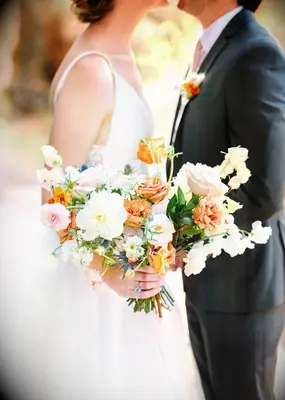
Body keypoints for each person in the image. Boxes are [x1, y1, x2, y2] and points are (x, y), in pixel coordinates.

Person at [18, 1, 204, 400]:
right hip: (98, 295)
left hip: (130, 282)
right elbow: (53, 199)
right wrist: (110, 271)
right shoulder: (92, 69)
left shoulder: (121, 53)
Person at [170, 0, 285, 399]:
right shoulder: (215, 47)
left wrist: (182, 235)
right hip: (209, 281)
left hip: (243, 286)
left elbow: (262, 190)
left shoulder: (256, 56)